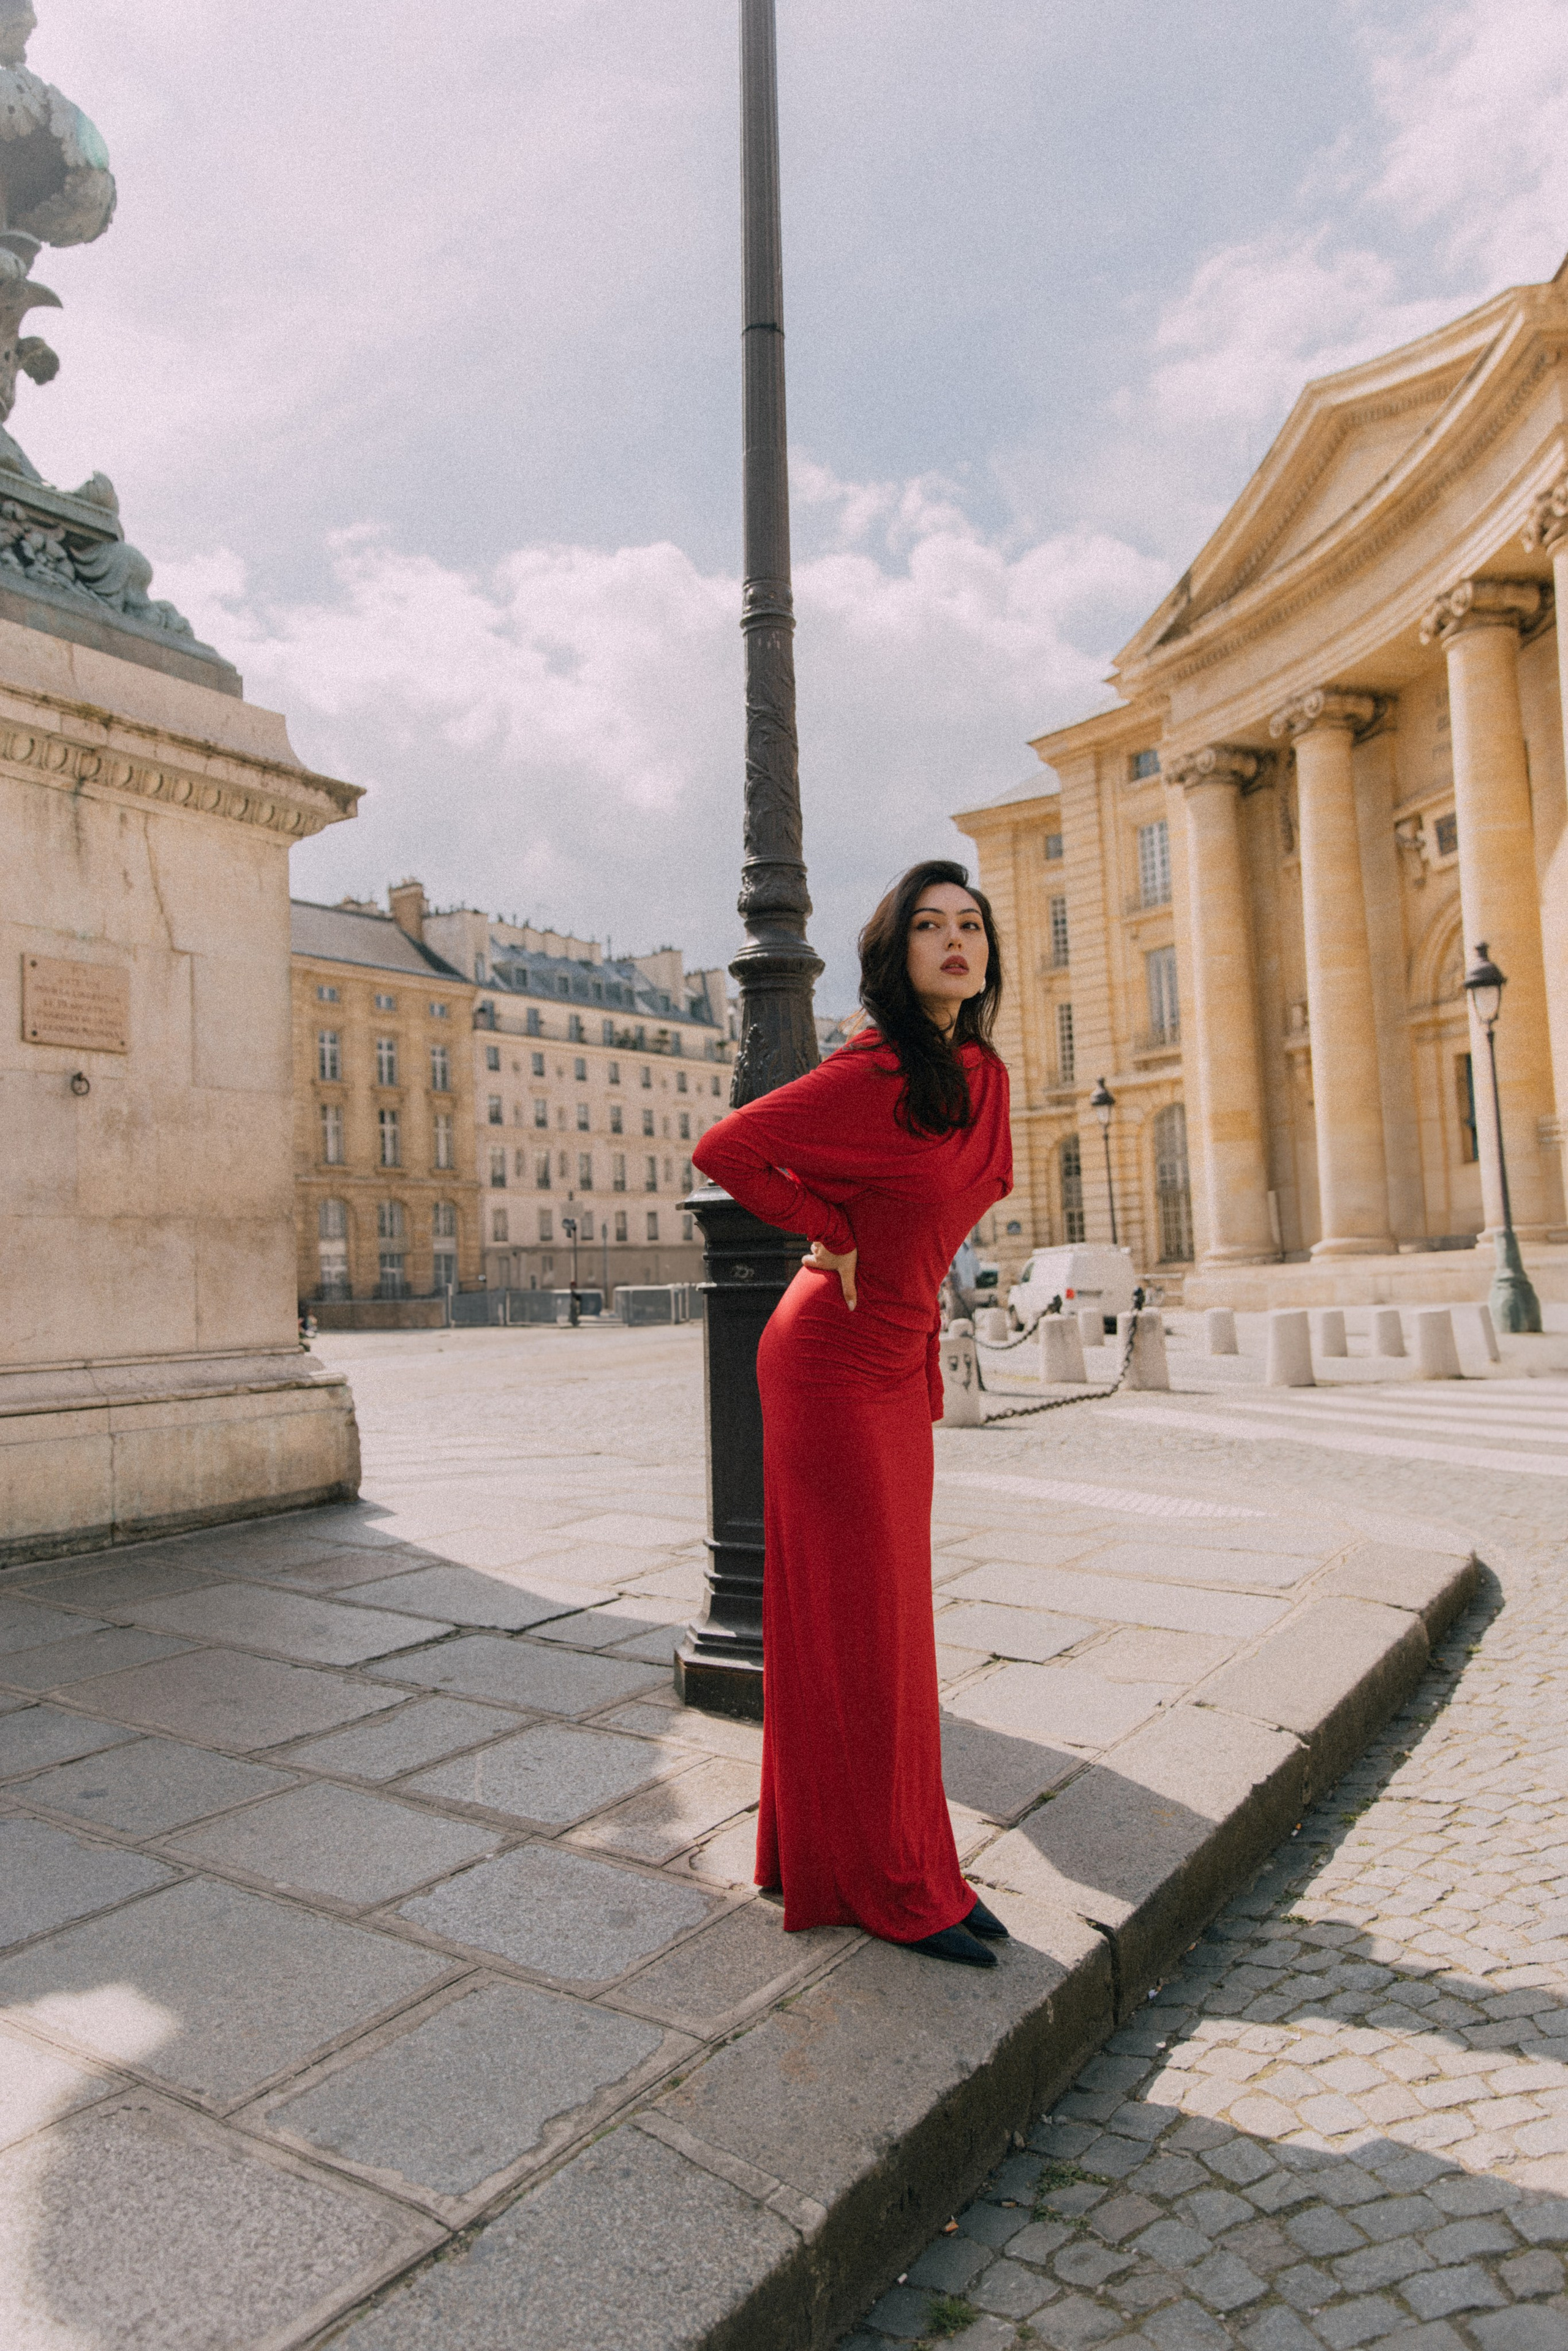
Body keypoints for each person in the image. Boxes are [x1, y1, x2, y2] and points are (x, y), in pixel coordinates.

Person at [690, 859, 1014, 1968]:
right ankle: (886, 1880)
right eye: (930, 926)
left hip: (898, 1352)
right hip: (829, 1355)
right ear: (897, 953)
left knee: (886, 1622)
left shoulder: (983, 1072)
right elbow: (726, 1149)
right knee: (863, 1624)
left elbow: (955, 1209)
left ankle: (869, 1854)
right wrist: (834, 1224)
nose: (955, 941)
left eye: (970, 925)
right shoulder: (870, 1069)